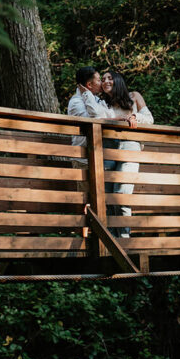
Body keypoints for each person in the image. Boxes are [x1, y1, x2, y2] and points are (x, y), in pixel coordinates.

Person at [66, 66, 135, 236]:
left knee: (109, 196)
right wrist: (117, 119)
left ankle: (113, 236)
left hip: (100, 155)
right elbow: (96, 118)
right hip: (84, 158)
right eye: (98, 80)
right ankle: (86, 238)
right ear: (89, 85)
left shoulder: (99, 100)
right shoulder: (76, 101)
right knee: (88, 199)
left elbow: (104, 114)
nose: (102, 83)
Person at [101, 71, 154, 238]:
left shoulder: (134, 96)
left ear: (118, 80)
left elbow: (149, 118)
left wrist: (133, 116)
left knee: (122, 194)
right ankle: (112, 241)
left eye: (109, 78)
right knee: (108, 197)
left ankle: (124, 240)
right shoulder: (102, 102)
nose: (105, 81)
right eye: (102, 79)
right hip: (108, 145)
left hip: (129, 144)